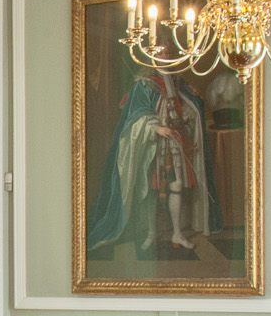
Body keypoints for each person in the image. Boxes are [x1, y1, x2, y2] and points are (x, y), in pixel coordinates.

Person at [88, 68, 209, 259]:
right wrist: (156, 127)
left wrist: (188, 113)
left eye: (168, 51)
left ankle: (176, 233)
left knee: (176, 185)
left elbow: (187, 108)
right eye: (160, 51)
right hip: (152, 144)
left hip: (175, 141)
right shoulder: (143, 84)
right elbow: (134, 116)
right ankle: (151, 234)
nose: (165, 55)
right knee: (151, 189)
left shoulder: (178, 82)